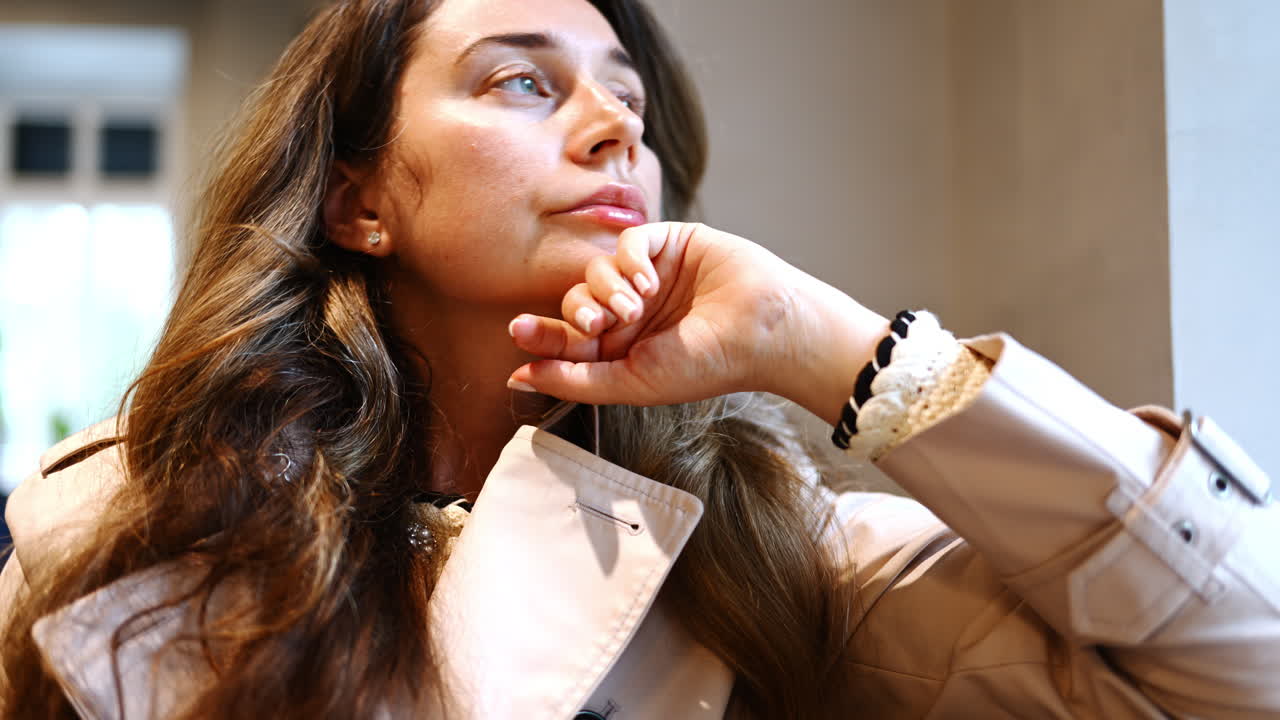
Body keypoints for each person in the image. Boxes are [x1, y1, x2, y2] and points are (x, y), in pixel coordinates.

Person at [1, 0, 1276, 717]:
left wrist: (833, 349)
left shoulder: (773, 554)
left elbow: (1244, 670)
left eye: (629, 99)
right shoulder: (130, 530)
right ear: (357, 200)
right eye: (520, 83)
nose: (616, 126)